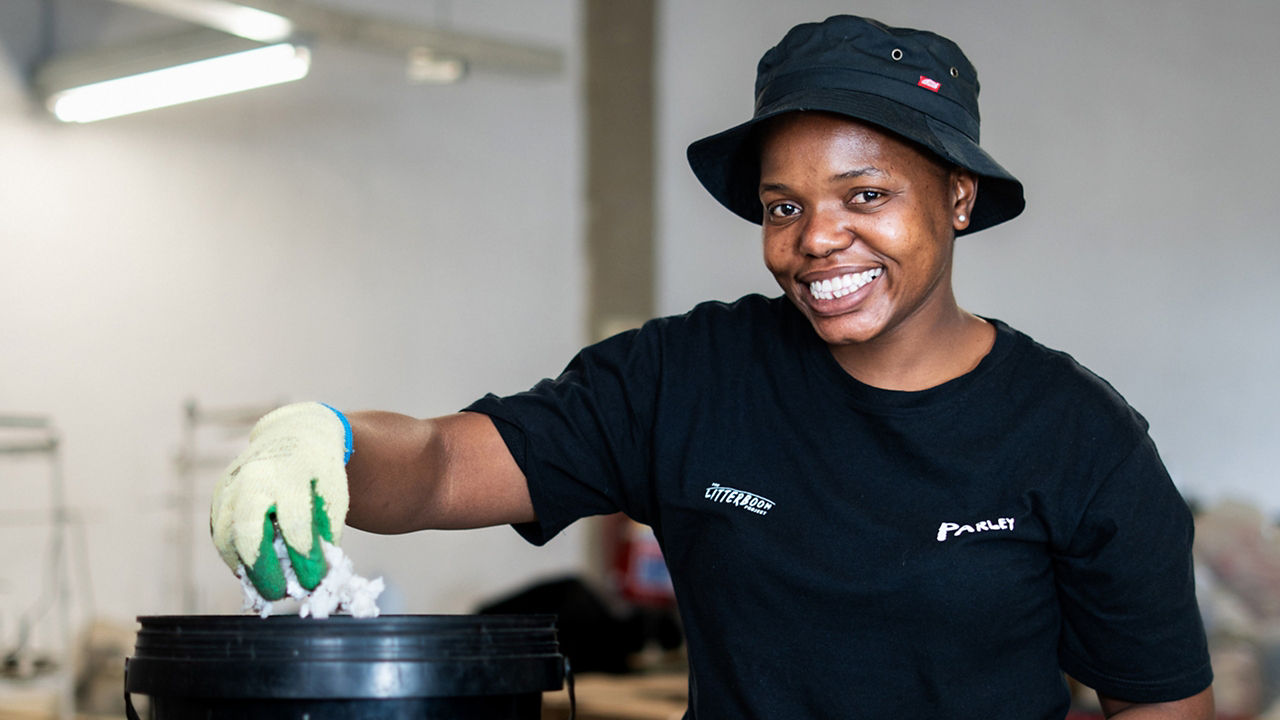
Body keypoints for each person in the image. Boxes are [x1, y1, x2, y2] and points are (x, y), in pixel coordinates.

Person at [211, 14, 1214, 719]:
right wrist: (328, 443)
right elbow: (437, 463)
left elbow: (1159, 702)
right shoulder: (684, 379)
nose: (816, 239)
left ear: (954, 197)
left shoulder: (1075, 437)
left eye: (864, 195)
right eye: (783, 206)